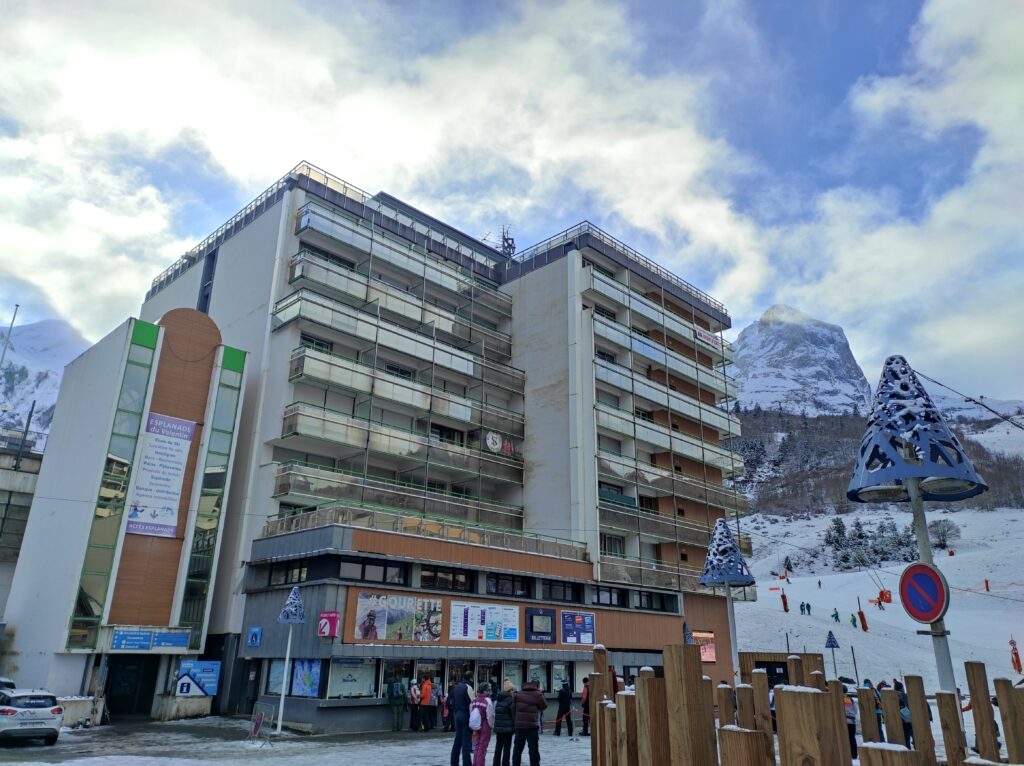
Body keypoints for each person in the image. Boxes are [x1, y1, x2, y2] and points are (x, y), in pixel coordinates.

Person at [511, 677, 547, 766]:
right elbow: (544, 706)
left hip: (519, 726)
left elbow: (513, 709)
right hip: (531, 726)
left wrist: (516, 720)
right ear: (537, 686)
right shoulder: (538, 694)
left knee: (517, 749)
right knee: (533, 749)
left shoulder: (518, 694)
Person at [451, 671, 474, 766]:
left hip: (458, 715)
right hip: (466, 715)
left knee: (457, 740)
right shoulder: (468, 687)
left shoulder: (456, 687)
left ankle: (454, 762)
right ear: (471, 678)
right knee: (466, 742)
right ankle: (467, 763)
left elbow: (452, 701)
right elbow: (472, 703)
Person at [470, 682, 495, 766]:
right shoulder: (487, 700)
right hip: (485, 726)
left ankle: (475, 763)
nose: (489, 691)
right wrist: (491, 726)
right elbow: (490, 715)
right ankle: (480, 764)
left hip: (476, 726)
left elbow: (471, 713)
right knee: (483, 747)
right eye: (488, 690)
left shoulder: (474, 700)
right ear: (485, 691)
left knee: (477, 746)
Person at [492, 678, 515, 766]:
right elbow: (512, 714)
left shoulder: (499, 699)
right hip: (508, 729)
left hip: (499, 728)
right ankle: (505, 764)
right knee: (507, 748)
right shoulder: (510, 700)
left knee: (498, 747)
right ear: (510, 690)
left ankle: (496, 763)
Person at [893, 680, 913, 747]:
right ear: (901, 688)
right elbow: (904, 709)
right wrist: (910, 718)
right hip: (906, 721)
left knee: (904, 740)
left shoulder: (893, 696)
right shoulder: (902, 696)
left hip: (898, 721)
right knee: (909, 738)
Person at [843, 685, 858, 758]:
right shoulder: (850, 699)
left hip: (844, 721)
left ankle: (847, 754)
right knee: (852, 738)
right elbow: (855, 710)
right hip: (852, 721)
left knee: (845, 738)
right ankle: (854, 754)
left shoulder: (840, 699)